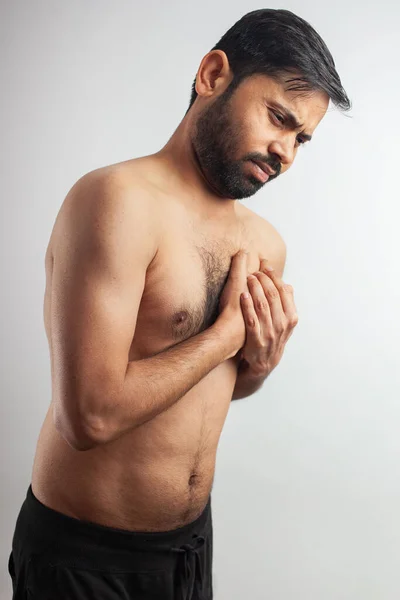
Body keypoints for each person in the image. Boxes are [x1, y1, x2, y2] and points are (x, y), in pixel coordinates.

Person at [8, 8, 350, 600]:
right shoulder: (116, 200)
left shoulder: (265, 244)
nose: (286, 152)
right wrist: (224, 337)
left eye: (301, 139)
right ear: (214, 75)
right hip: (83, 556)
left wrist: (258, 367)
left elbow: (217, 387)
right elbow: (88, 418)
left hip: (188, 548)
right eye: (278, 118)